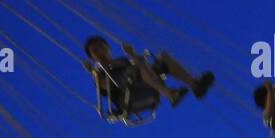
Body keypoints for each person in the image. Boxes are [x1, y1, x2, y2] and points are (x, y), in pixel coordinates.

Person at [83, 36, 213, 111]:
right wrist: (92, 73)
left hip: (143, 81)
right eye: (95, 50)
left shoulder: (123, 61)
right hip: (127, 95)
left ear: (108, 48)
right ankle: (170, 94)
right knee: (138, 66)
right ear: (92, 57)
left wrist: (132, 54)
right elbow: (108, 86)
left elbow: (140, 65)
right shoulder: (99, 73)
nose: (100, 51)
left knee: (163, 57)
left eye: (102, 47)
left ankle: (195, 85)